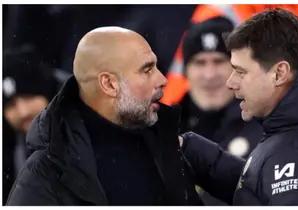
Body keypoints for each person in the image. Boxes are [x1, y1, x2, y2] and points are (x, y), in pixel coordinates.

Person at [179, 8, 298, 205]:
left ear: (279, 73)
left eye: (240, 72)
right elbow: (264, 187)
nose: (230, 82)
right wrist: (192, 150)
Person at [6, 27, 202, 205]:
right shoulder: (46, 174)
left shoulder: (167, 144)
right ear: (109, 84)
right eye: (147, 69)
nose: (162, 79)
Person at [177, 16, 263, 205]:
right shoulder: (165, 125)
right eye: (200, 62)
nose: (210, 74)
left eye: (218, 61)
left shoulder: (265, 125)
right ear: (186, 71)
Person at [2, 49, 66, 202]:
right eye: (10, 105)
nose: (22, 112)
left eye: (28, 97)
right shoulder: (10, 146)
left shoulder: (89, 128)